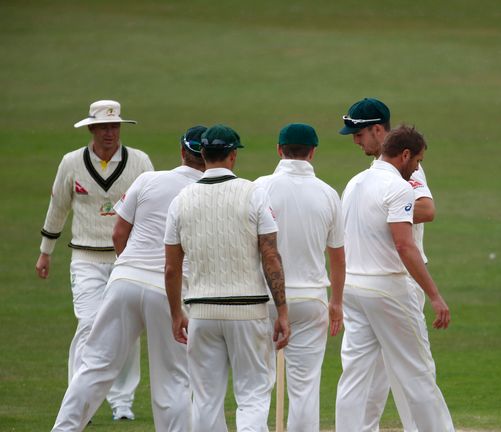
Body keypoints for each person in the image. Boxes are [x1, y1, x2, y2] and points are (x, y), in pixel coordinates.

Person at [49, 125, 207, 431]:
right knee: (173, 381)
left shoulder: (148, 179)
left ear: (182, 152)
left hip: (125, 281)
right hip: (171, 291)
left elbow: (119, 232)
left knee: (94, 366)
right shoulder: (210, 193)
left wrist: (129, 270)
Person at [164, 124, 290, 432]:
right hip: (248, 311)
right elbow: (270, 256)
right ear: (233, 156)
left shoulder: (181, 199)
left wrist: (176, 313)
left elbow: (171, 268)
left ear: (203, 155)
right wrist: (283, 312)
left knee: (206, 398)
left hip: (202, 312)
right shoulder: (253, 192)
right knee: (252, 394)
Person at [36, 100, 151, 420]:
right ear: (91, 128)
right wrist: (46, 251)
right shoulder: (71, 163)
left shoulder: (139, 161)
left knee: (126, 329)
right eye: (103, 127)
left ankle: (122, 401)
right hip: (85, 258)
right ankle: (78, 402)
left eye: (114, 126)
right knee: (88, 325)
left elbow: (153, 206)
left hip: (128, 259)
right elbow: (58, 207)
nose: (110, 133)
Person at [335, 124, 453, 432]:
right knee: (418, 372)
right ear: (404, 155)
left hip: (353, 287)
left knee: (355, 375)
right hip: (387, 288)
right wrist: (435, 295)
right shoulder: (400, 188)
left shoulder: (355, 181)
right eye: (418, 160)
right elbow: (404, 245)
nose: (418, 168)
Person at [254, 123, 345, 432]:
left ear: (279, 150)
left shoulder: (259, 187)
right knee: (305, 387)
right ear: (313, 152)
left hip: (263, 297)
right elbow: (337, 255)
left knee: (257, 382)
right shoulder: (329, 193)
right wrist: (337, 302)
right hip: (312, 299)